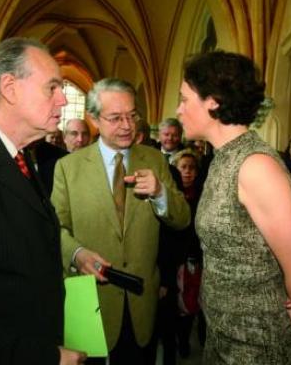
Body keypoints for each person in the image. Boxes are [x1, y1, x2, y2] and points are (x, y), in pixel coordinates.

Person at [176, 50, 291, 365]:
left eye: (185, 100)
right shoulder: (222, 156)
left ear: (212, 101)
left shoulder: (255, 166)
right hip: (222, 334)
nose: (178, 109)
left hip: (258, 345)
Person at [0, 37, 85, 364]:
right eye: (52, 88)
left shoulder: (21, 154)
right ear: (10, 88)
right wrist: (47, 356)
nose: (62, 100)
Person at [51, 77, 190, 364]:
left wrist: (160, 193)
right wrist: (76, 254)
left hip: (142, 301)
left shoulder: (154, 160)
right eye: (115, 118)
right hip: (90, 299)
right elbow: (55, 229)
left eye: (132, 115)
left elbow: (183, 219)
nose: (127, 126)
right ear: (94, 118)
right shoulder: (68, 168)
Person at [173, 150, 206, 358]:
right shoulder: (170, 194)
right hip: (177, 261)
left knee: (196, 305)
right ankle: (181, 341)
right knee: (179, 307)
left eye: (192, 168)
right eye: (183, 167)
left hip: (198, 259)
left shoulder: (203, 195)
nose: (187, 172)